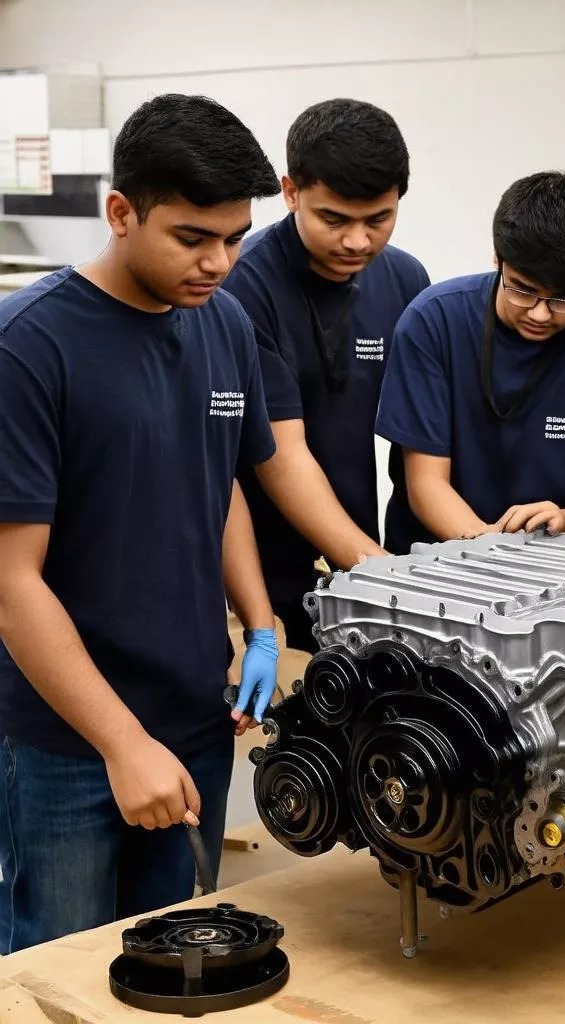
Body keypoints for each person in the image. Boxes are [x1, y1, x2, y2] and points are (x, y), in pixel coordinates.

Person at [0, 93, 283, 952]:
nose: (220, 262)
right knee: (61, 960)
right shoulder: (31, 346)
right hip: (69, 739)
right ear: (120, 213)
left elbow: (221, 479)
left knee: (169, 956)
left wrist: (261, 625)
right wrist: (121, 744)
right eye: (192, 238)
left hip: (194, 717)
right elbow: (13, 584)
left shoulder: (224, 325)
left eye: (235, 238)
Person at [223, 99, 429, 652]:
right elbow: (281, 453)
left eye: (378, 219)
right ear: (291, 192)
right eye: (334, 219)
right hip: (263, 564)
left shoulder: (406, 279)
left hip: (359, 545)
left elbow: (419, 437)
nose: (358, 241)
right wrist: (375, 568)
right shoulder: (241, 286)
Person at [375, 171, 565, 553]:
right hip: (433, 562)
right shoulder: (434, 321)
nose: (540, 314)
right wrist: (492, 551)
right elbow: (426, 485)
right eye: (523, 290)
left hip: (557, 564)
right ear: (498, 258)